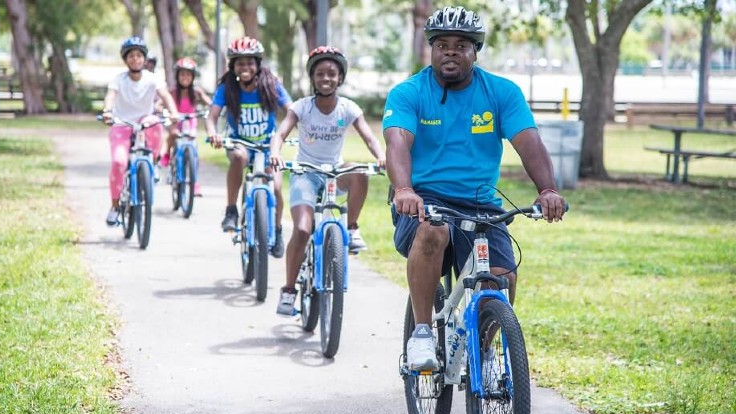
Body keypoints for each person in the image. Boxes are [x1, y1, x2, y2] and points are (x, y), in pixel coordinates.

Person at [383, 6, 566, 371]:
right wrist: (403, 189)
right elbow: (397, 143)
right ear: (432, 50)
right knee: (432, 231)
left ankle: (483, 350)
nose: (451, 51)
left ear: (475, 51)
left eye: (461, 45)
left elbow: (529, 143)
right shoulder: (409, 92)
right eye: (442, 44)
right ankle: (421, 333)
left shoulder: (501, 92)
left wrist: (547, 189)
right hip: (423, 198)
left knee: (501, 278)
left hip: (481, 201)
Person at [268, 46, 385, 316]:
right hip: (305, 173)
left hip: (333, 171)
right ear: (312, 77)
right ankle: (288, 291)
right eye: (320, 73)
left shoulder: (348, 108)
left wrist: (381, 157)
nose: (326, 78)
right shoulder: (302, 107)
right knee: (301, 229)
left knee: (359, 172)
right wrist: (275, 153)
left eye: (332, 73)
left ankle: (352, 227)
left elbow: (368, 137)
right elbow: (281, 133)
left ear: (340, 78)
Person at [204, 36, 292, 258]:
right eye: (240, 63)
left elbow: (292, 111)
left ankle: (278, 229)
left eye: (250, 62)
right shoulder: (227, 88)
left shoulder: (271, 85)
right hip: (239, 142)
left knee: (278, 187)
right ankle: (231, 209)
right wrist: (213, 133)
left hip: (267, 145)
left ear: (258, 64)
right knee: (240, 157)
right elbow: (211, 117)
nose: (245, 67)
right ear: (232, 65)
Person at [101, 36, 179, 226]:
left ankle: (152, 163)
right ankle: (115, 206)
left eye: (138, 55)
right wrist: (107, 112)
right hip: (122, 123)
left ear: (144, 59)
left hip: (144, 121)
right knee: (119, 162)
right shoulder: (118, 80)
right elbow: (110, 97)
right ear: (125, 59)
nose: (135, 59)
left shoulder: (153, 79)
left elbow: (165, 95)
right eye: (131, 56)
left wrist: (174, 112)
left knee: (154, 122)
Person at [156, 57, 213, 197]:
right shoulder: (173, 92)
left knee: (193, 150)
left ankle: (194, 182)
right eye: (182, 74)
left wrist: (212, 108)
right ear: (177, 76)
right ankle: (167, 154)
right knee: (173, 134)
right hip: (176, 122)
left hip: (190, 122)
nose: (185, 78)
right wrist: (160, 109)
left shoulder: (197, 92)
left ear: (193, 77)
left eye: (188, 75)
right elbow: (159, 103)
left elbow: (210, 102)